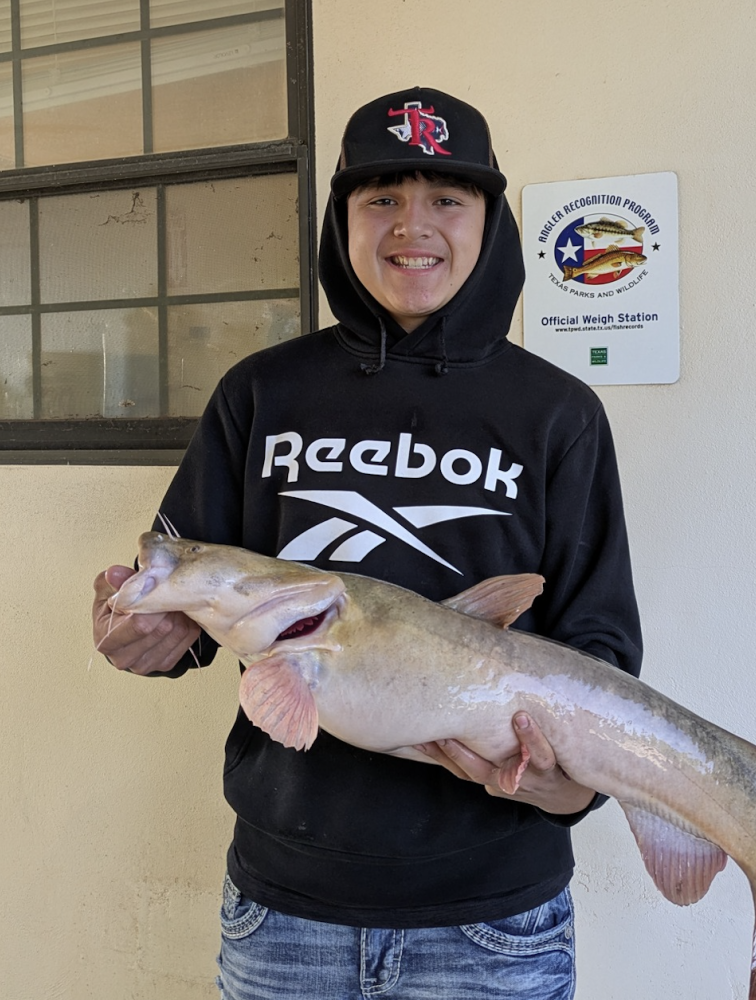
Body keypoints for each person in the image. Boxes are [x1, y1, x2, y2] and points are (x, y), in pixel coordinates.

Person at [91, 87, 642, 1000]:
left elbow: (601, 649)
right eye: (380, 197)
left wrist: (567, 788)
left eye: (446, 199)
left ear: (490, 223)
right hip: (287, 911)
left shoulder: (558, 414)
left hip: (493, 919)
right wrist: (133, 636)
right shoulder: (261, 392)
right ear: (341, 217)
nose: (410, 227)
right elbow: (181, 599)